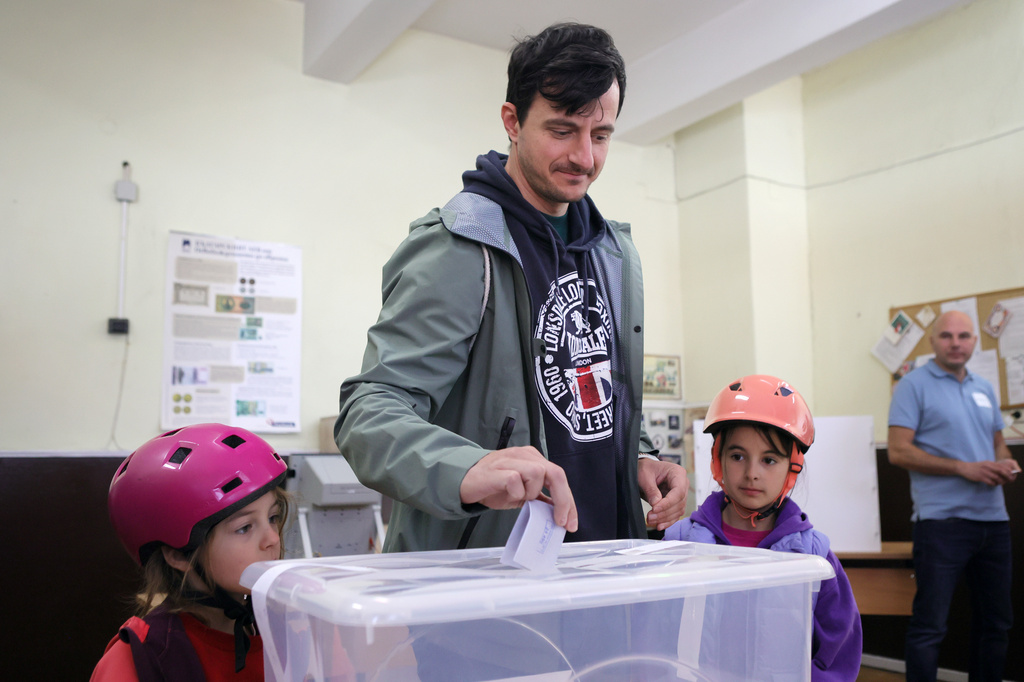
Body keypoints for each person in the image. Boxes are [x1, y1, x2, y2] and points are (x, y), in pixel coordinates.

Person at [335, 22, 688, 552]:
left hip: (604, 566)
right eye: (562, 130)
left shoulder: (614, 254)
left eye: (601, 135)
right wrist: (468, 467)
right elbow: (368, 413)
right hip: (489, 585)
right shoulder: (458, 245)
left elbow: (589, 394)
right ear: (512, 121)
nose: (585, 159)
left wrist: (638, 457)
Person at [663, 374, 862, 681]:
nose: (751, 473)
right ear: (718, 460)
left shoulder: (813, 556)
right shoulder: (680, 543)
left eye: (769, 460)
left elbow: (838, 649)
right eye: (738, 456)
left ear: (792, 468)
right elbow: (656, 636)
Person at [91, 423, 291, 681]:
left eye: (273, 517)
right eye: (244, 528)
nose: (273, 539)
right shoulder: (143, 657)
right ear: (179, 554)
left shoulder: (283, 629)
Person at [888, 310, 1018, 682]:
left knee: (996, 624)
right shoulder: (912, 386)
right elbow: (898, 451)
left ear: (975, 341)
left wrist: (1006, 465)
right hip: (941, 524)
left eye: (964, 336)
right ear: (933, 341)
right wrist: (965, 467)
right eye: (947, 336)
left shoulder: (983, 387)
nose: (956, 343)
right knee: (930, 627)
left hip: (994, 523)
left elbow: (999, 446)